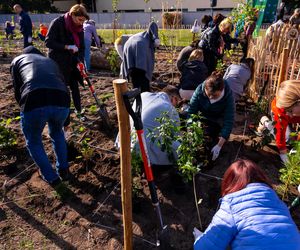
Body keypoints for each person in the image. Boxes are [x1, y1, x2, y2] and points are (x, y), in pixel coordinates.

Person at [194, 159, 300, 250]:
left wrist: (199, 238)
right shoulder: (279, 204)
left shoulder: (232, 205)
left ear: (230, 182)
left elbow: (206, 248)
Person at [10, 46, 71, 186]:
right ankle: (64, 170)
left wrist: (25, 107)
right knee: (57, 133)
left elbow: (17, 90)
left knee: (34, 141)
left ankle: (51, 178)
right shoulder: (50, 61)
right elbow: (64, 85)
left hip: (33, 100)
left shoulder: (17, 60)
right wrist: (67, 117)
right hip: (61, 99)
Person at [45, 4, 89, 123]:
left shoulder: (79, 28)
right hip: (58, 63)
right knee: (63, 89)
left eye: (83, 21)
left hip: (72, 62)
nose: (81, 23)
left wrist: (80, 60)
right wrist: (66, 47)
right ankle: (65, 115)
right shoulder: (58, 23)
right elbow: (48, 42)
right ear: (72, 15)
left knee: (75, 88)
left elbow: (82, 47)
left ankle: (79, 111)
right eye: (79, 20)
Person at [188, 71, 234, 161]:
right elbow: (191, 112)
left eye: (215, 95)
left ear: (222, 90)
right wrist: (190, 130)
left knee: (210, 145)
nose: (211, 98)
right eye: (209, 95)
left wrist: (219, 146)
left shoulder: (228, 96)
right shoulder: (199, 90)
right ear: (205, 88)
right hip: (201, 118)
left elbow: (229, 120)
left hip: (216, 121)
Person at [131, 85, 181, 166]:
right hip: (143, 149)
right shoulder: (169, 108)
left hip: (126, 140)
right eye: (177, 101)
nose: (176, 105)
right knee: (179, 147)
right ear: (173, 98)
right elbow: (175, 135)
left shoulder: (143, 95)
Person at [121, 22, 160, 92]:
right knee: (142, 77)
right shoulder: (146, 43)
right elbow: (148, 64)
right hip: (138, 48)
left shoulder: (143, 35)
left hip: (127, 46)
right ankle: (142, 93)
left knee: (134, 76)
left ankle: (137, 92)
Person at [271, 80, 300, 163]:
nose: (289, 114)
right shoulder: (282, 110)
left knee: (292, 137)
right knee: (287, 139)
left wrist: (297, 145)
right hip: (279, 116)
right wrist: (283, 153)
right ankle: (266, 123)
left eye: (290, 111)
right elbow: (280, 131)